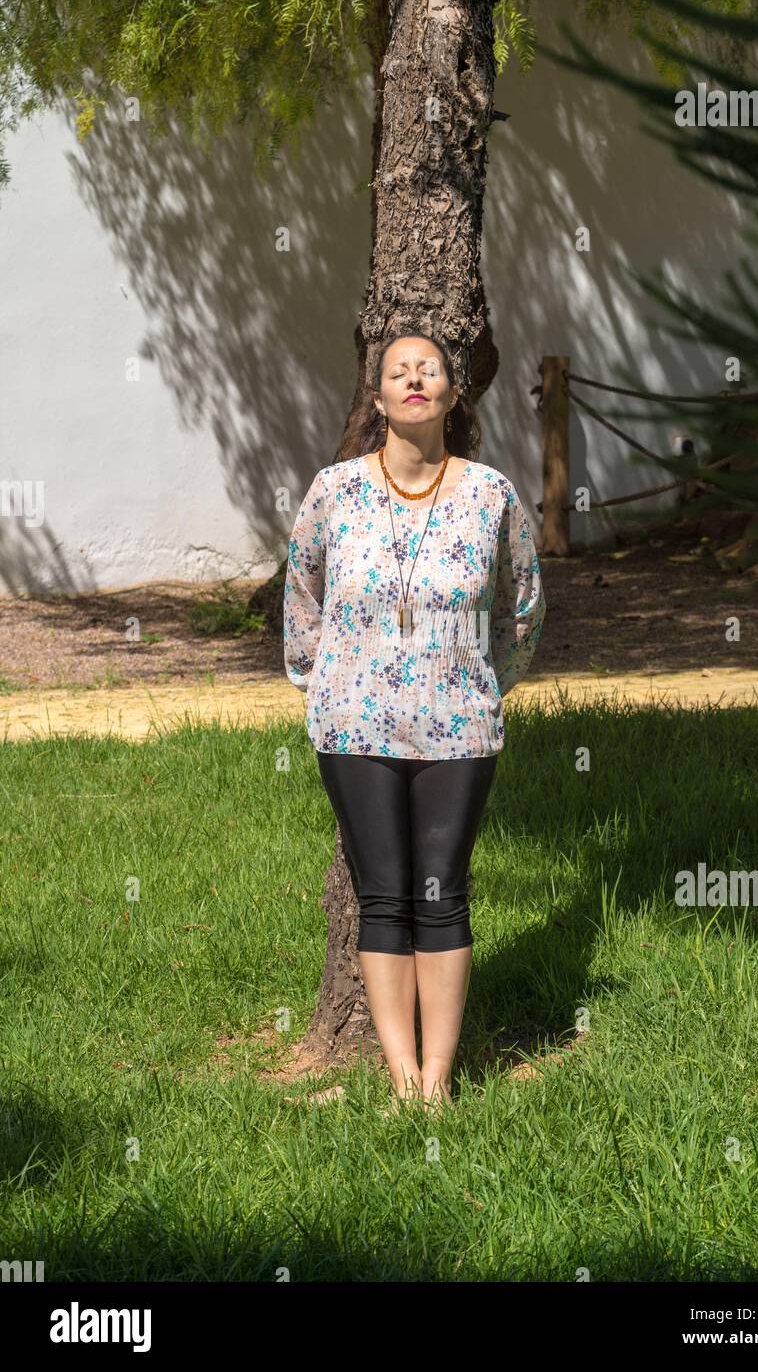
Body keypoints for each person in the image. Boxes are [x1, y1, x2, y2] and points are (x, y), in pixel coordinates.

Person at [283, 331, 546, 1111]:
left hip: (458, 726)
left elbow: (523, 605)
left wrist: (481, 684)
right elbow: (301, 594)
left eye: (427, 369)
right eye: (397, 372)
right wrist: (319, 678)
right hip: (354, 724)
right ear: (376, 397)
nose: (413, 380)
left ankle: (439, 1080)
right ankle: (402, 1079)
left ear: (452, 393)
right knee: (386, 894)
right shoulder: (333, 490)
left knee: (441, 895)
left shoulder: (489, 494)